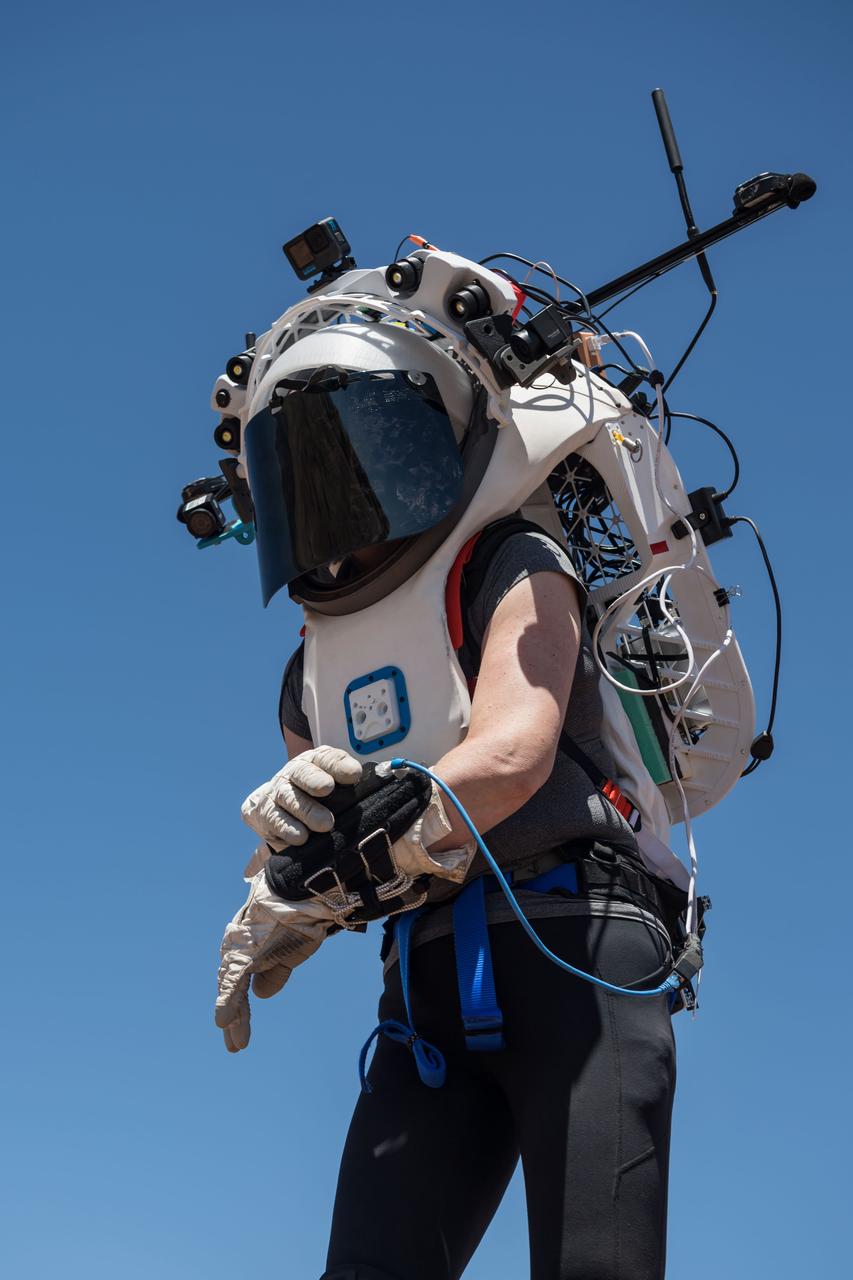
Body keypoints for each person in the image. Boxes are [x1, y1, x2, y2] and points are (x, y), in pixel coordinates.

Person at [214, 258, 687, 1279]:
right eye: (304, 471)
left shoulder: (513, 557)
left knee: (593, 1265)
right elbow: (328, 836)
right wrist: (281, 889)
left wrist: (371, 826)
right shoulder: (310, 669)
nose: (332, 497)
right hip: (424, 983)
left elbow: (514, 750)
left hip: (578, 941)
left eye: (352, 455)